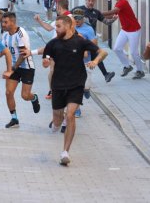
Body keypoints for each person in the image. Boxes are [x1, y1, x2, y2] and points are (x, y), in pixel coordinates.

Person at [43, 15, 108, 165]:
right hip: (58, 85)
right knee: (58, 118)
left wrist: (95, 61)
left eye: (58, 26)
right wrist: (46, 62)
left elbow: (103, 52)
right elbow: (45, 60)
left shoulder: (80, 41)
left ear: (68, 26)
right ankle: (55, 123)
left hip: (76, 84)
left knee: (70, 115)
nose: (56, 29)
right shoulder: (52, 44)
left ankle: (65, 152)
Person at [1, 12, 40, 128]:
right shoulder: (5, 35)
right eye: (2, 22)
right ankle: (14, 118)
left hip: (26, 67)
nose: (3, 24)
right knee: (8, 92)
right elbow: (1, 51)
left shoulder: (20, 33)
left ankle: (34, 98)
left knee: (25, 96)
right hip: (14, 67)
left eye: (5, 22)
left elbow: (23, 54)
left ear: (13, 22)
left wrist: (12, 69)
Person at [101, 0, 145, 79]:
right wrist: (99, 17)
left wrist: (98, 13)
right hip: (125, 29)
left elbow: (113, 11)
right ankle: (127, 66)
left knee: (134, 53)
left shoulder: (123, 3)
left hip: (134, 30)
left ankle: (140, 71)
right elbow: (112, 15)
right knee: (117, 48)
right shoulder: (118, 3)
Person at [72, 0, 115, 82]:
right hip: (79, 39)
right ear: (86, 1)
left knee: (94, 55)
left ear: (94, 1)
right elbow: (67, 16)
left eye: (92, 1)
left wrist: (114, 19)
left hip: (91, 38)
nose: (91, 3)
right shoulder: (79, 10)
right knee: (91, 56)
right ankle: (104, 74)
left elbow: (106, 22)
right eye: (89, 1)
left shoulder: (96, 12)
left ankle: (103, 75)